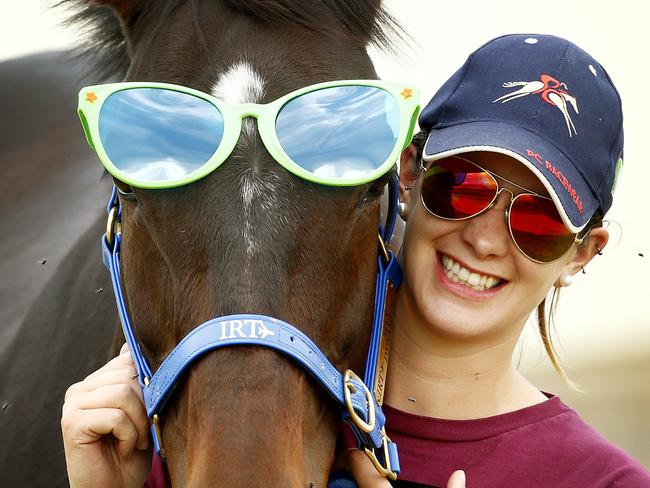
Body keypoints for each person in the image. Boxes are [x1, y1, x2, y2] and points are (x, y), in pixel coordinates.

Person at [61, 34, 650, 487]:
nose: (487, 240)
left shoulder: (606, 481)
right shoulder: (234, 417)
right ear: (410, 174)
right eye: (463, 187)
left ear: (581, 253)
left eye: (538, 222)